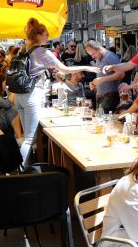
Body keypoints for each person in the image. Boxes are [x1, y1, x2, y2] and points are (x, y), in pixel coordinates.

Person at [15, 18, 99, 163]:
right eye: (46, 34)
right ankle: (21, 169)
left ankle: (24, 168)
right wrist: (86, 67)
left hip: (19, 96)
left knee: (28, 137)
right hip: (31, 96)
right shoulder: (42, 52)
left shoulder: (25, 50)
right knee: (30, 139)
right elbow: (64, 69)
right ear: (38, 36)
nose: (48, 36)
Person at [86, 39, 123, 113]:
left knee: (105, 118)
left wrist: (103, 79)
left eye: (93, 54)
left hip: (110, 95)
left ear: (98, 48)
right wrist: (94, 84)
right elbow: (101, 76)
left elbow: (121, 74)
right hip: (101, 95)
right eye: (91, 55)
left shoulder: (111, 56)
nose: (93, 57)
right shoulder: (99, 57)